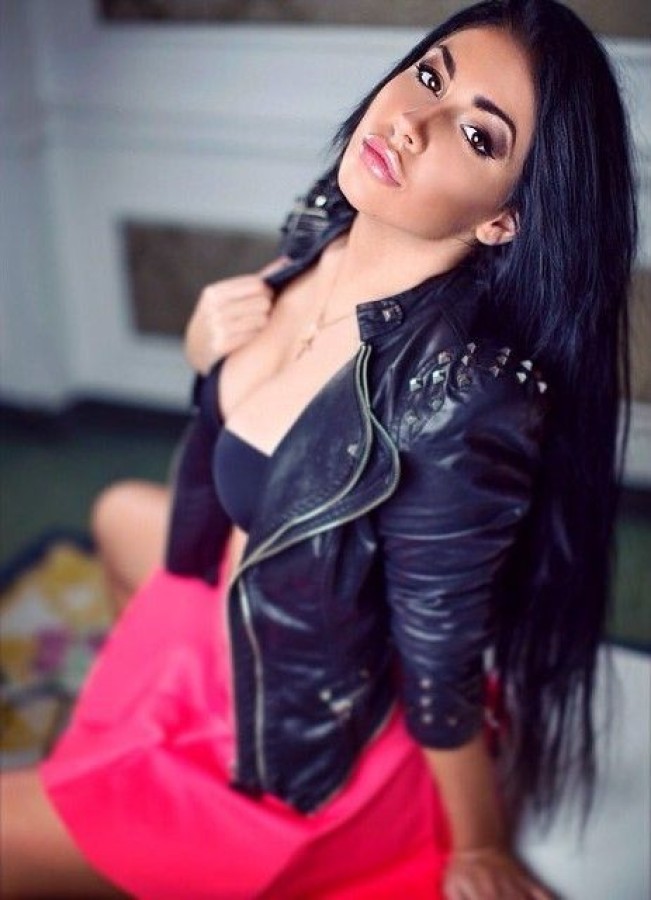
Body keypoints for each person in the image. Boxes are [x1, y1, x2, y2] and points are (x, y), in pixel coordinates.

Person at [0, 0, 637, 897]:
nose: (411, 122)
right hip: (249, 620)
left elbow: (439, 652)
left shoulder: (459, 400)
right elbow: (249, 433)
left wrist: (480, 846)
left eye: (476, 135)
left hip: (301, 745)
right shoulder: (321, 228)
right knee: (116, 514)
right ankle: (132, 747)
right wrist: (204, 353)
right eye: (430, 75)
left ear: (504, 220)